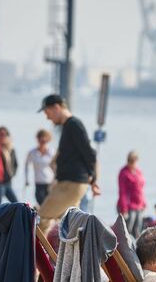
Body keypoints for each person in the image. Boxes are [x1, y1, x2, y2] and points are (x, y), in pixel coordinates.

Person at [36, 94, 100, 233]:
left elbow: (90, 152)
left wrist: (93, 179)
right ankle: (65, 254)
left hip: (72, 184)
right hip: (69, 183)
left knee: (42, 220)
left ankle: (35, 254)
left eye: (48, 113)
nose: (48, 118)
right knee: (68, 225)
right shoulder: (68, 126)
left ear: (56, 107)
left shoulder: (74, 125)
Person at [117, 150, 146, 238]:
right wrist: (124, 208)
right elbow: (122, 192)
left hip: (139, 205)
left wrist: (144, 203)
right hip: (129, 206)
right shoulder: (124, 173)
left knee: (138, 229)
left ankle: (136, 249)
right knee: (128, 229)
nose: (132, 163)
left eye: (134, 161)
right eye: (130, 161)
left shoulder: (138, 172)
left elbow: (141, 189)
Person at [24, 129, 55, 205]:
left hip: (50, 181)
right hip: (38, 182)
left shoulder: (51, 152)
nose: (42, 142)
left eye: (44, 141)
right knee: (40, 201)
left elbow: (56, 166)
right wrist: (26, 179)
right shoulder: (32, 152)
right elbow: (26, 165)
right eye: (40, 140)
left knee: (50, 203)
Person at [0, 126, 18, 208]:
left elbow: (15, 165)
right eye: (0, 134)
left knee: (17, 203)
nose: (2, 137)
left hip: (8, 182)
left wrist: (12, 174)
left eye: (4, 134)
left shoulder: (11, 149)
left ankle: (16, 219)